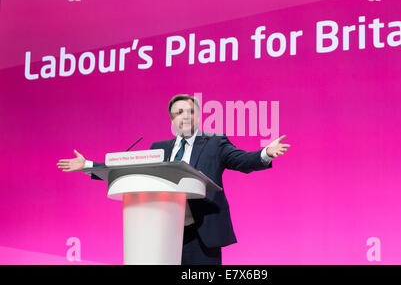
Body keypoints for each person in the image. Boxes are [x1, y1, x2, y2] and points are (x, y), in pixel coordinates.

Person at [57, 94, 290, 265]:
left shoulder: (214, 143)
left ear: (198, 116)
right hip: (160, 233)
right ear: (172, 119)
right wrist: (88, 165)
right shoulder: (158, 149)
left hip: (201, 235)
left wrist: (264, 154)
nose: (185, 116)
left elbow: (242, 160)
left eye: (189, 111)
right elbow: (126, 168)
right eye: (179, 113)